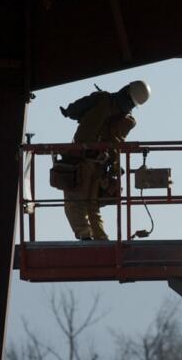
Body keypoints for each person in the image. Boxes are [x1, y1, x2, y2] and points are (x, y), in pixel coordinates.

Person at [59, 80, 151, 240]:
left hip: (81, 159)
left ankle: (85, 235)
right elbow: (116, 143)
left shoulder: (102, 99)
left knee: (74, 202)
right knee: (92, 205)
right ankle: (100, 238)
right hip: (103, 165)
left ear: (126, 88)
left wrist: (69, 112)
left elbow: (75, 110)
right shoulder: (128, 121)